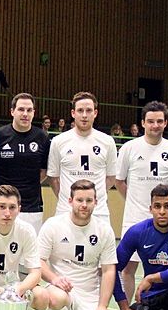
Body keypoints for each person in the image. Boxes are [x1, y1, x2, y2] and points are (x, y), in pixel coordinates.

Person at [0, 93, 50, 310]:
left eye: (30, 110)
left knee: (28, 262)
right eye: (21, 109)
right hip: (3, 209)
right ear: (12, 111)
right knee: (1, 258)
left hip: (32, 207)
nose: (25, 114)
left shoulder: (42, 137)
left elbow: (44, 172)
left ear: (34, 113)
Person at [38, 180, 117, 310]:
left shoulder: (104, 230)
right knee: (54, 298)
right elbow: (38, 262)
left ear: (96, 202)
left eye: (89, 201)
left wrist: (103, 306)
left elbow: (108, 270)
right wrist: (54, 279)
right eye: (80, 200)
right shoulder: (53, 225)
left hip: (90, 295)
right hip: (62, 291)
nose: (84, 205)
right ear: (70, 201)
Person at [115, 101, 168, 299]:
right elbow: (119, 181)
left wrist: (161, 209)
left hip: (164, 222)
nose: (155, 125)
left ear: (165, 123)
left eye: (159, 121)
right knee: (128, 268)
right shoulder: (129, 148)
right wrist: (135, 202)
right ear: (143, 123)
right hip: (134, 218)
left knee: (165, 267)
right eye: (151, 121)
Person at [48, 92, 117, 223]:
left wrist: (93, 196)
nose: (84, 115)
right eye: (80, 110)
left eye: (89, 110)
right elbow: (53, 178)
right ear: (73, 113)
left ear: (95, 113)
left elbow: (111, 178)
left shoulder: (107, 142)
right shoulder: (58, 141)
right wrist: (70, 199)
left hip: (98, 212)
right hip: (66, 211)